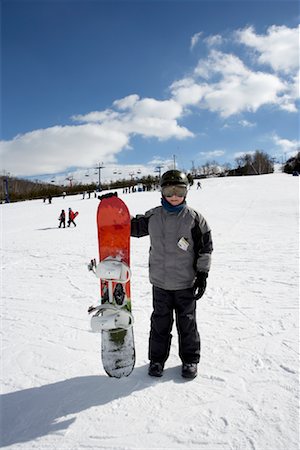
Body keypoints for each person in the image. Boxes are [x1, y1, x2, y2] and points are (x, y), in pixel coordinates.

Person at [131, 170, 213, 379]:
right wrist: (114, 210)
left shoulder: (195, 219)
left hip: (185, 283)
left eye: (179, 190)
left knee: (187, 324)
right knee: (159, 324)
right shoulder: (154, 215)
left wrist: (202, 274)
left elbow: (205, 248)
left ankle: (190, 360)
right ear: (161, 191)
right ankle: (157, 360)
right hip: (160, 284)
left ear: (186, 192)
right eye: (169, 190)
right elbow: (132, 227)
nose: (174, 196)